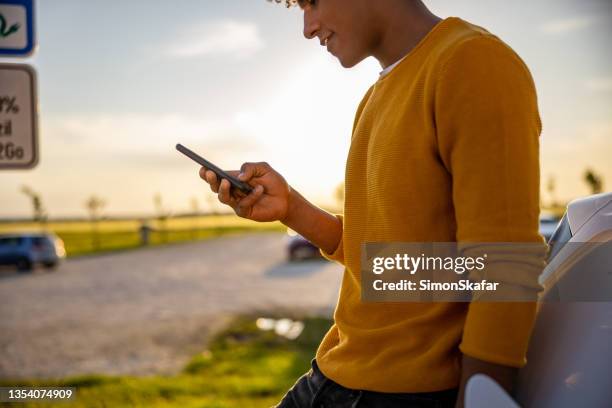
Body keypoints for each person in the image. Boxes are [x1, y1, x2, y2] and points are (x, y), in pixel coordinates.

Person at [200, 0, 545, 406]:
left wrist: (482, 397)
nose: (308, 28)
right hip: (332, 377)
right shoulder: (375, 97)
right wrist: (290, 208)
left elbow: (504, 263)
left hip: (399, 395)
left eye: (311, 3)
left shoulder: (473, 62)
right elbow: (387, 265)